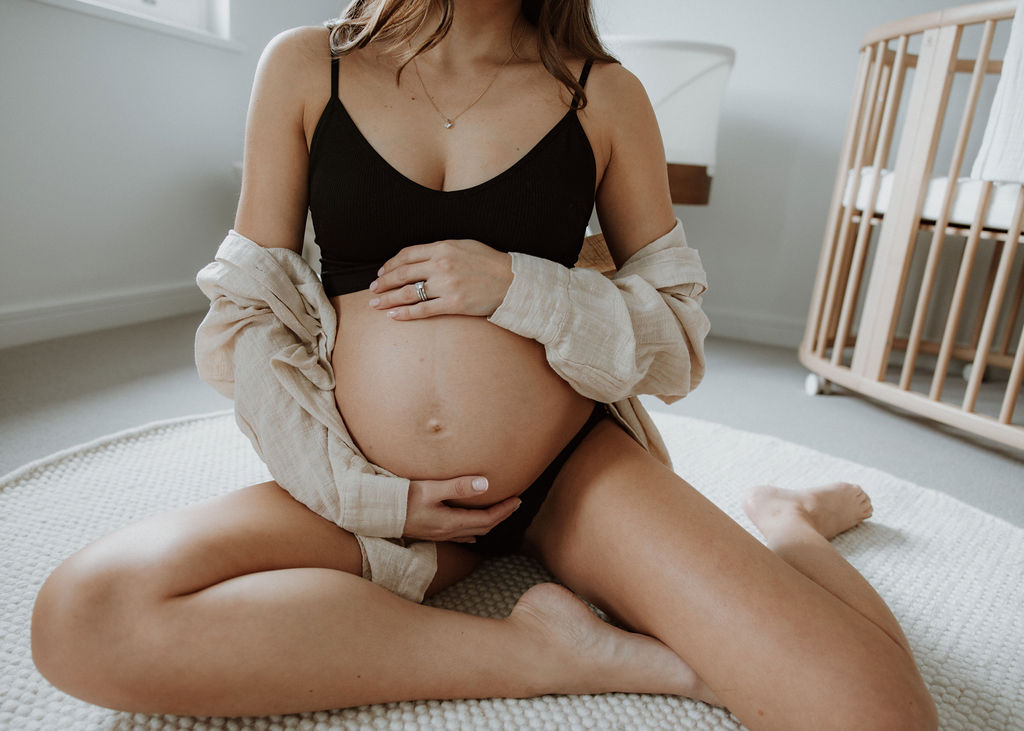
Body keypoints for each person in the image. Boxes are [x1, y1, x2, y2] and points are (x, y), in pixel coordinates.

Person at [30, 1, 938, 728]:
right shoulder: (311, 64)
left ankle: (788, 525)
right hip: (367, 487)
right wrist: (368, 497)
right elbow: (250, 316)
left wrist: (520, 285)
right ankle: (544, 654)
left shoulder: (605, 93)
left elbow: (676, 340)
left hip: (568, 477)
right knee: (88, 614)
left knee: (879, 714)